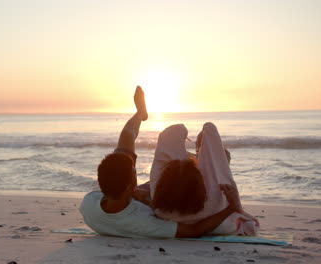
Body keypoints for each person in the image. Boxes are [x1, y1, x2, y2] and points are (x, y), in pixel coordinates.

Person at [80, 86, 244, 238]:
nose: (134, 167)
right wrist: (232, 207)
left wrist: (136, 193)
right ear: (132, 183)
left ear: (101, 184)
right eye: (134, 171)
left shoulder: (89, 203)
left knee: (126, 142)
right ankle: (205, 164)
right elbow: (194, 231)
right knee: (186, 177)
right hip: (163, 197)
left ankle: (140, 113)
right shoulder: (144, 221)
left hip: (136, 193)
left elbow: (125, 146)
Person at [146, 123, 259, 236]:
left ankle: (200, 155)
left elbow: (164, 152)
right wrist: (235, 205)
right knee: (219, 157)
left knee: (180, 166)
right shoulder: (214, 202)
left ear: (164, 181)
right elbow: (211, 129)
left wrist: (180, 129)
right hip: (218, 225)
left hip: (177, 214)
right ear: (199, 182)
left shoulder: (161, 209)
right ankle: (200, 153)